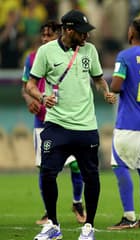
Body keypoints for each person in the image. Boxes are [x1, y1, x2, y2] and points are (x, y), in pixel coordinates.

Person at [25, 9, 116, 240]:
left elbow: (97, 79)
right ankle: (53, 225)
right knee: (47, 173)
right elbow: (30, 85)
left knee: (92, 176)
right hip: (56, 125)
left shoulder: (90, 50)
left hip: (86, 126)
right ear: (68, 30)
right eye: (81, 32)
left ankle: (89, 228)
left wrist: (105, 91)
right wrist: (43, 98)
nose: (85, 37)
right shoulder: (45, 52)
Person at [21, 20, 86, 226]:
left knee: (76, 165)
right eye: (43, 36)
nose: (44, 39)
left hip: (67, 120)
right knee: (45, 168)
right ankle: (49, 213)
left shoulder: (73, 55)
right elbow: (26, 86)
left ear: (59, 35)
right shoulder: (33, 58)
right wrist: (31, 100)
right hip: (42, 120)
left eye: (49, 36)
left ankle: (77, 202)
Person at [107, 17, 140, 230]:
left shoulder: (125, 56)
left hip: (129, 121)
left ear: (131, 33)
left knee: (119, 166)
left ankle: (129, 217)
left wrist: (111, 87)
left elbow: (117, 85)